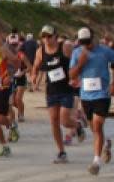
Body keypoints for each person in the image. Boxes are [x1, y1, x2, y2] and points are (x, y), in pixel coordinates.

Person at [69, 27, 114, 176]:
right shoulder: (77, 53)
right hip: (86, 96)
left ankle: (96, 162)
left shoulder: (104, 51)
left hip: (102, 95)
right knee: (94, 128)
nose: (86, 45)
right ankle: (106, 143)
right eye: (83, 42)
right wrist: (80, 63)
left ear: (93, 38)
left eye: (87, 42)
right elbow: (71, 76)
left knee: (98, 125)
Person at [31, 25, 81, 164]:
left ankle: (77, 125)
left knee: (64, 121)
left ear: (55, 36)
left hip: (66, 89)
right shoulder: (40, 51)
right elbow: (35, 65)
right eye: (44, 36)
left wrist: (78, 76)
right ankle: (61, 152)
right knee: (54, 121)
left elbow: (78, 60)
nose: (46, 39)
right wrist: (34, 76)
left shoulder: (65, 47)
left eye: (49, 36)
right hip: (52, 91)